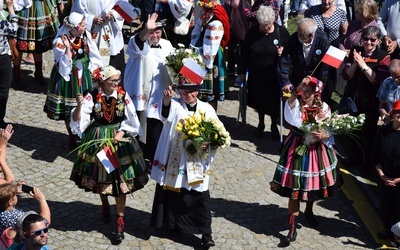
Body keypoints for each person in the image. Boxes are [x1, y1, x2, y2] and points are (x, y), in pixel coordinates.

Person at [69, 65, 149, 242]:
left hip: (119, 141)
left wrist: (121, 132)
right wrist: (79, 107)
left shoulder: (123, 96)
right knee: (102, 178)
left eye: (117, 80)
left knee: (121, 183)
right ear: (103, 81)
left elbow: (132, 119)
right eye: (112, 80)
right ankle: (105, 202)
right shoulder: (91, 96)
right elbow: (77, 123)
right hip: (99, 140)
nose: (116, 83)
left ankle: (120, 221)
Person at [150, 78, 225, 248]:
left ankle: (206, 233)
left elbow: (218, 131)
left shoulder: (206, 109)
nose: (188, 95)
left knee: (200, 193)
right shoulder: (175, 105)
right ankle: (172, 224)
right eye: (184, 92)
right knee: (174, 190)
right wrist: (167, 100)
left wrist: (209, 143)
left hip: (198, 159)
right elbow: (165, 116)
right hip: (176, 157)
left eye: (191, 91)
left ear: (198, 91)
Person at [270, 76, 339, 247]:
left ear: (316, 94)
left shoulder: (324, 108)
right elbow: (290, 105)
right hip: (296, 147)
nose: (305, 94)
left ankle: (308, 210)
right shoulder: (295, 105)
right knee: (294, 187)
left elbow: (329, 127)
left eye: (309, 91)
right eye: (303, 91)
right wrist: (297, 88)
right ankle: (292, 228)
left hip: (316, 150)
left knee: (312, 184)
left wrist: (323, 134)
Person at [43, 12, 103, 150]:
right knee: (70, 106)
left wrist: (96, 69)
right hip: (69, 76)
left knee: (87, 103)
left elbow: (93, 54)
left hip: (85, 74)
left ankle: (84, 130)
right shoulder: (60, 41)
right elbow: (63, 63)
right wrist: (67, 48)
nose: (85, 26)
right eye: (82, 25)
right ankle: (71, 134)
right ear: (75, 27)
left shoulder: (85, 36)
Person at [124, 13, 174, 165]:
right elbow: (138, 43)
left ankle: (155, 159)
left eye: (157, 31)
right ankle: (137, 159)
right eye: (152, 32)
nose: (154, 35)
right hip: (140, 91)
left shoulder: (166, 44)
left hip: (160, 92)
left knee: (156, 128)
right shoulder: (137, 42)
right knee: (138, 127)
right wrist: (146, 30)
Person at [342, 26, 389, 172]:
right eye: (366, 39)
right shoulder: (356, 52)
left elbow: (378, 81)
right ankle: (354, 157)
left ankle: (367, 164)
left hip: (370, 102)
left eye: (373, 40)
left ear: (379, 41)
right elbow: (345, 75)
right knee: (353, 129)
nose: (368, 42)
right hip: (353, 99)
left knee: (368, 133)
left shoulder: (383, 57)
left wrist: (363, 66)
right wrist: (356, 63)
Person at [237, 5, 290, 138]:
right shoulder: (252, 33)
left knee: (273, 101)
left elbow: (290, 53)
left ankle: (273, 125)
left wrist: (283, 53)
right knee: (259, 100)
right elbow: (244, 54)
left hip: (274, 74)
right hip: (257, 73)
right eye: (263, 26)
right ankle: (260, 123)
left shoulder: (281, 32)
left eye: (268, 25)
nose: (266, 29)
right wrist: (242, 72)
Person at [70, 0, 136, 80]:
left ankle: (116, 88)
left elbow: (123, 5)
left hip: (113, 36)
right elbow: (76, 14)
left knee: (114, 64)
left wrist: (113, 13)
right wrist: (92, 19)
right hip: (94, 36)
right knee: (97, 63)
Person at [11, 0, 62, 89]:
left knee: (39, 39)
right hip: (24, 7)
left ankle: (38, 72)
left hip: (40, 5)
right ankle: (16, 75)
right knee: (19, 41)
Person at [190, 0, 230, 110]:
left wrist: (207, 58)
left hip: (212, 54)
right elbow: (196, 31)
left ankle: (212, 116)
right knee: (197, 88)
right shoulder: (206, 15)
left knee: (212, 90)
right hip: (201, 51)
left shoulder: (216, 19)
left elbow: (213, 42)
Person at [279, 18, 330, 99]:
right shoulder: (294, 38)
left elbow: (325, 67)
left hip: (314, 83)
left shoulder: (322, 41)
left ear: (311, 35)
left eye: (301, 35)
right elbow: (285, 60)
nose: (298, 36)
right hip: (296, 81)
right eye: (298, 33)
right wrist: (286, 82)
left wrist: (319, 85)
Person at [373, 100, 400, 241]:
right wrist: (382, 175)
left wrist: (397, 180)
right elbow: (375, 155)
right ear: (393, 114)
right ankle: (388, 230)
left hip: (399, 181)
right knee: (385, 206)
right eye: (397, 112)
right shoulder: (384, 131)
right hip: (385, 178)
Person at [0, 183, 51, 248]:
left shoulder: (3, 212)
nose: (16, 196)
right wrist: (41, 199)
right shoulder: (16, 217)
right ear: (10, 202)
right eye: (15, 195)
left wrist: (11, 192)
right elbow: (45, 222)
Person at [0, 0, 18, 129]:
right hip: (2, 57)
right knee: (3, 89)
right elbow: (14, 29)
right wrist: (11, 8)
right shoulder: (2, 21)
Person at [377, 59, 400, 125]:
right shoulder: (387, 83)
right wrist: (383, 113)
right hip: (391, 123)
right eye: (393, 76)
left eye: (398, 77)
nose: (395, 80)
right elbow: (382, 105)